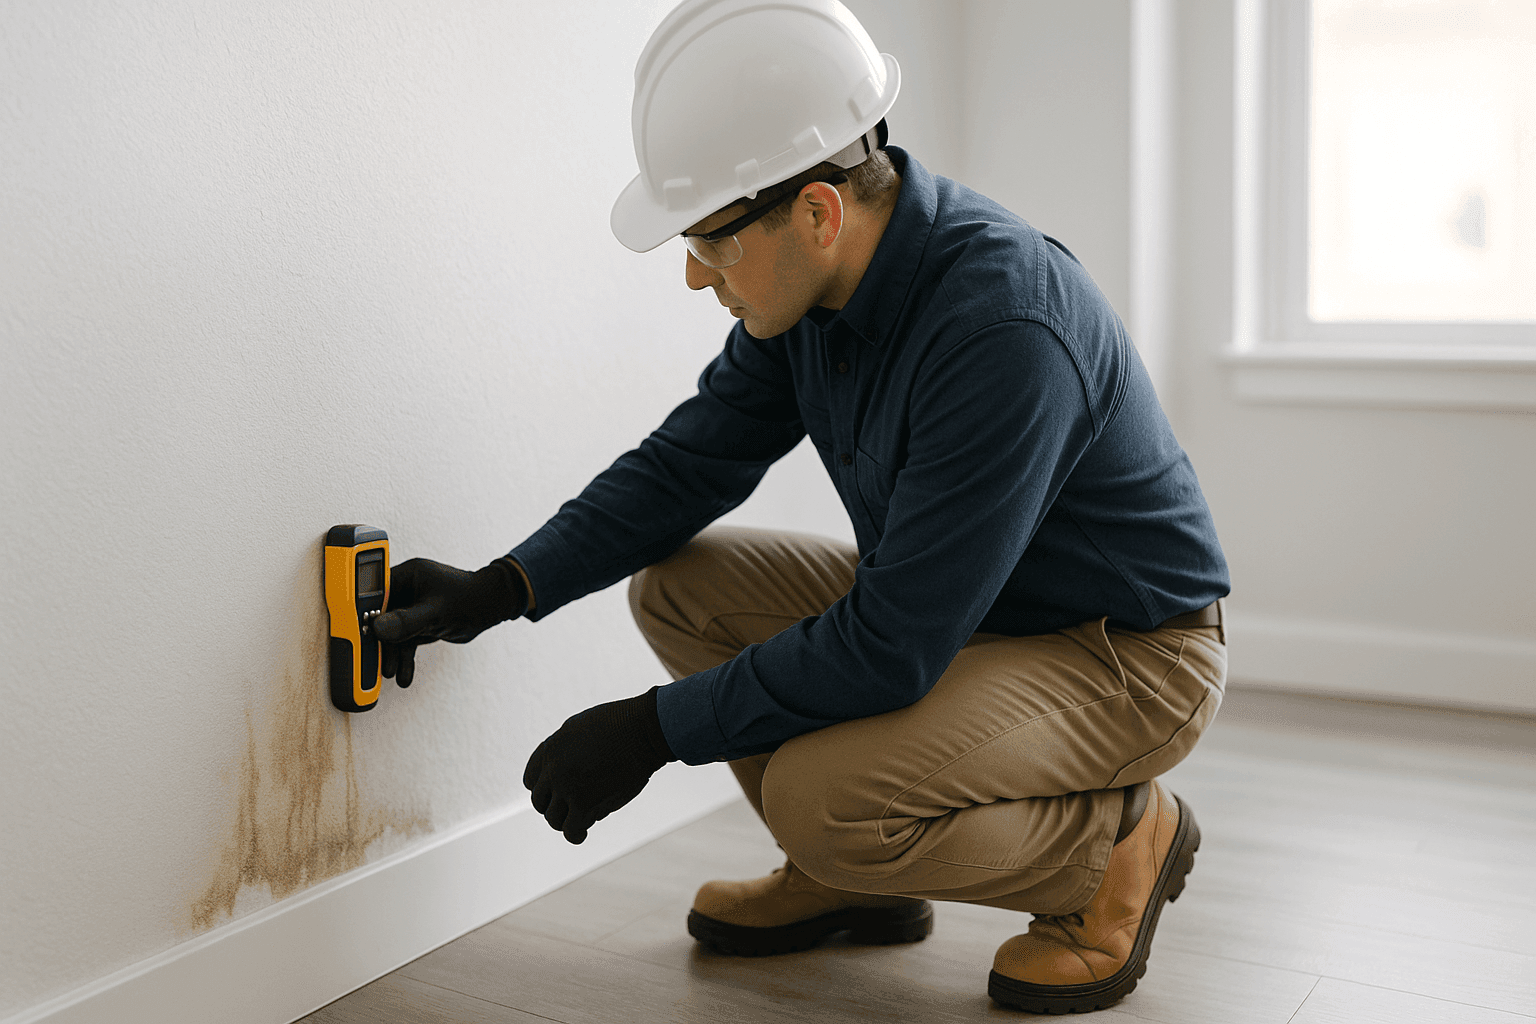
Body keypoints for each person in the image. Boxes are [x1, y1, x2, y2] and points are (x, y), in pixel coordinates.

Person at [370, 0, 1230, 1014]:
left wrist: (653, 730)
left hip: (1124, 654)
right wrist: (503, 586)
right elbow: (686, 465)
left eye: (710, 242)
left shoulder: (1003, 329)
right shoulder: (814, 295)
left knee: (822, 801)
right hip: (975, 622)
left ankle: (1116, 852)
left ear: (818, 212)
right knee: (682, 590)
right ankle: (853, 886)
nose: (696, 275)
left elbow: (893, 645)